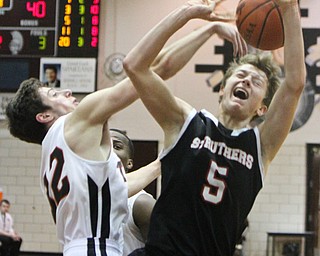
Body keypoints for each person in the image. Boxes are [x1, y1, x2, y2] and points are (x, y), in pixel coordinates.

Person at [4, 26, 216, 256]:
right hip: (98, 250)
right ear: (44, 116)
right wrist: (196, 20)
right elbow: (155, 69)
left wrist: (162, 162)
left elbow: (118, 187)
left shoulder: (52, 155)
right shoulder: (75, 123)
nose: (65, 91)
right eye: (53, 94)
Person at [123, 0, 305, 255]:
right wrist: (188, 15)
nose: (246, 80)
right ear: (222, 89)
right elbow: (135, 65)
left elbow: (295, 84)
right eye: (240, 75)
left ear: (262, 108)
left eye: (256, 82)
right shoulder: (186, 122)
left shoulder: (261, 145)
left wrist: (288, 8)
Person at [110, 129, 157, 256]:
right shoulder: (87, 197)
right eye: (104, 145)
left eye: (117, 146)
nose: (110, 151)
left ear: (129, 163)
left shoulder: (141, 203)